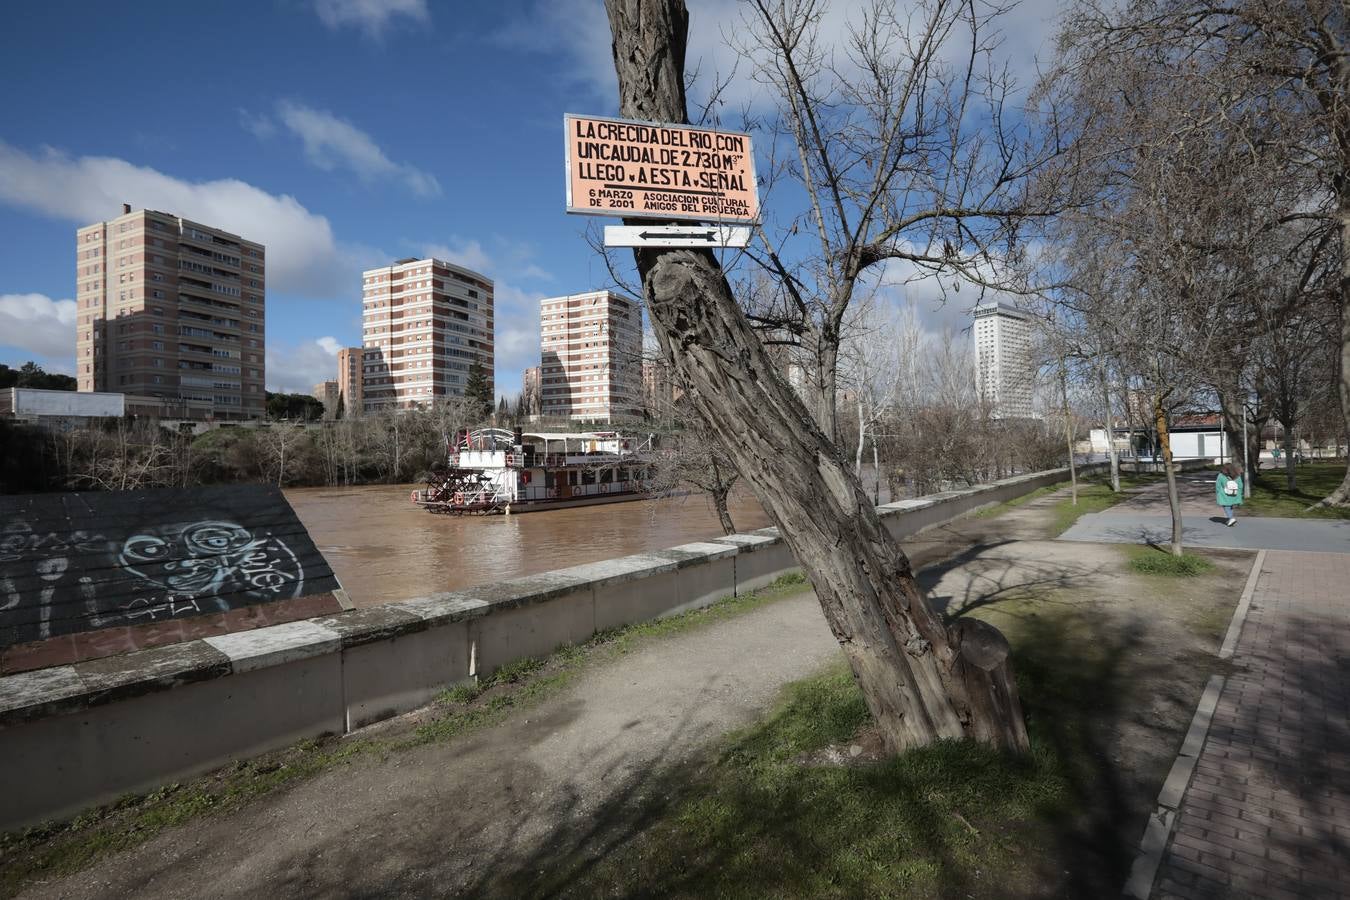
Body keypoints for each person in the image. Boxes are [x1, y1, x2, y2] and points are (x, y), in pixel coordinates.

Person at [1216, 462, 1244, 526]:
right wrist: (1240, 493)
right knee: (1230, 506)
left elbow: (1218, 485)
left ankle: (1231, 518)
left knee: (1226, 506)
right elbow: (1240, 485)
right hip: (1234, 493)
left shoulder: (1221, 475)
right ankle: (1230, 519)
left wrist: (1218, 492)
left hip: (1224, 494)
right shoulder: (1237, 475)